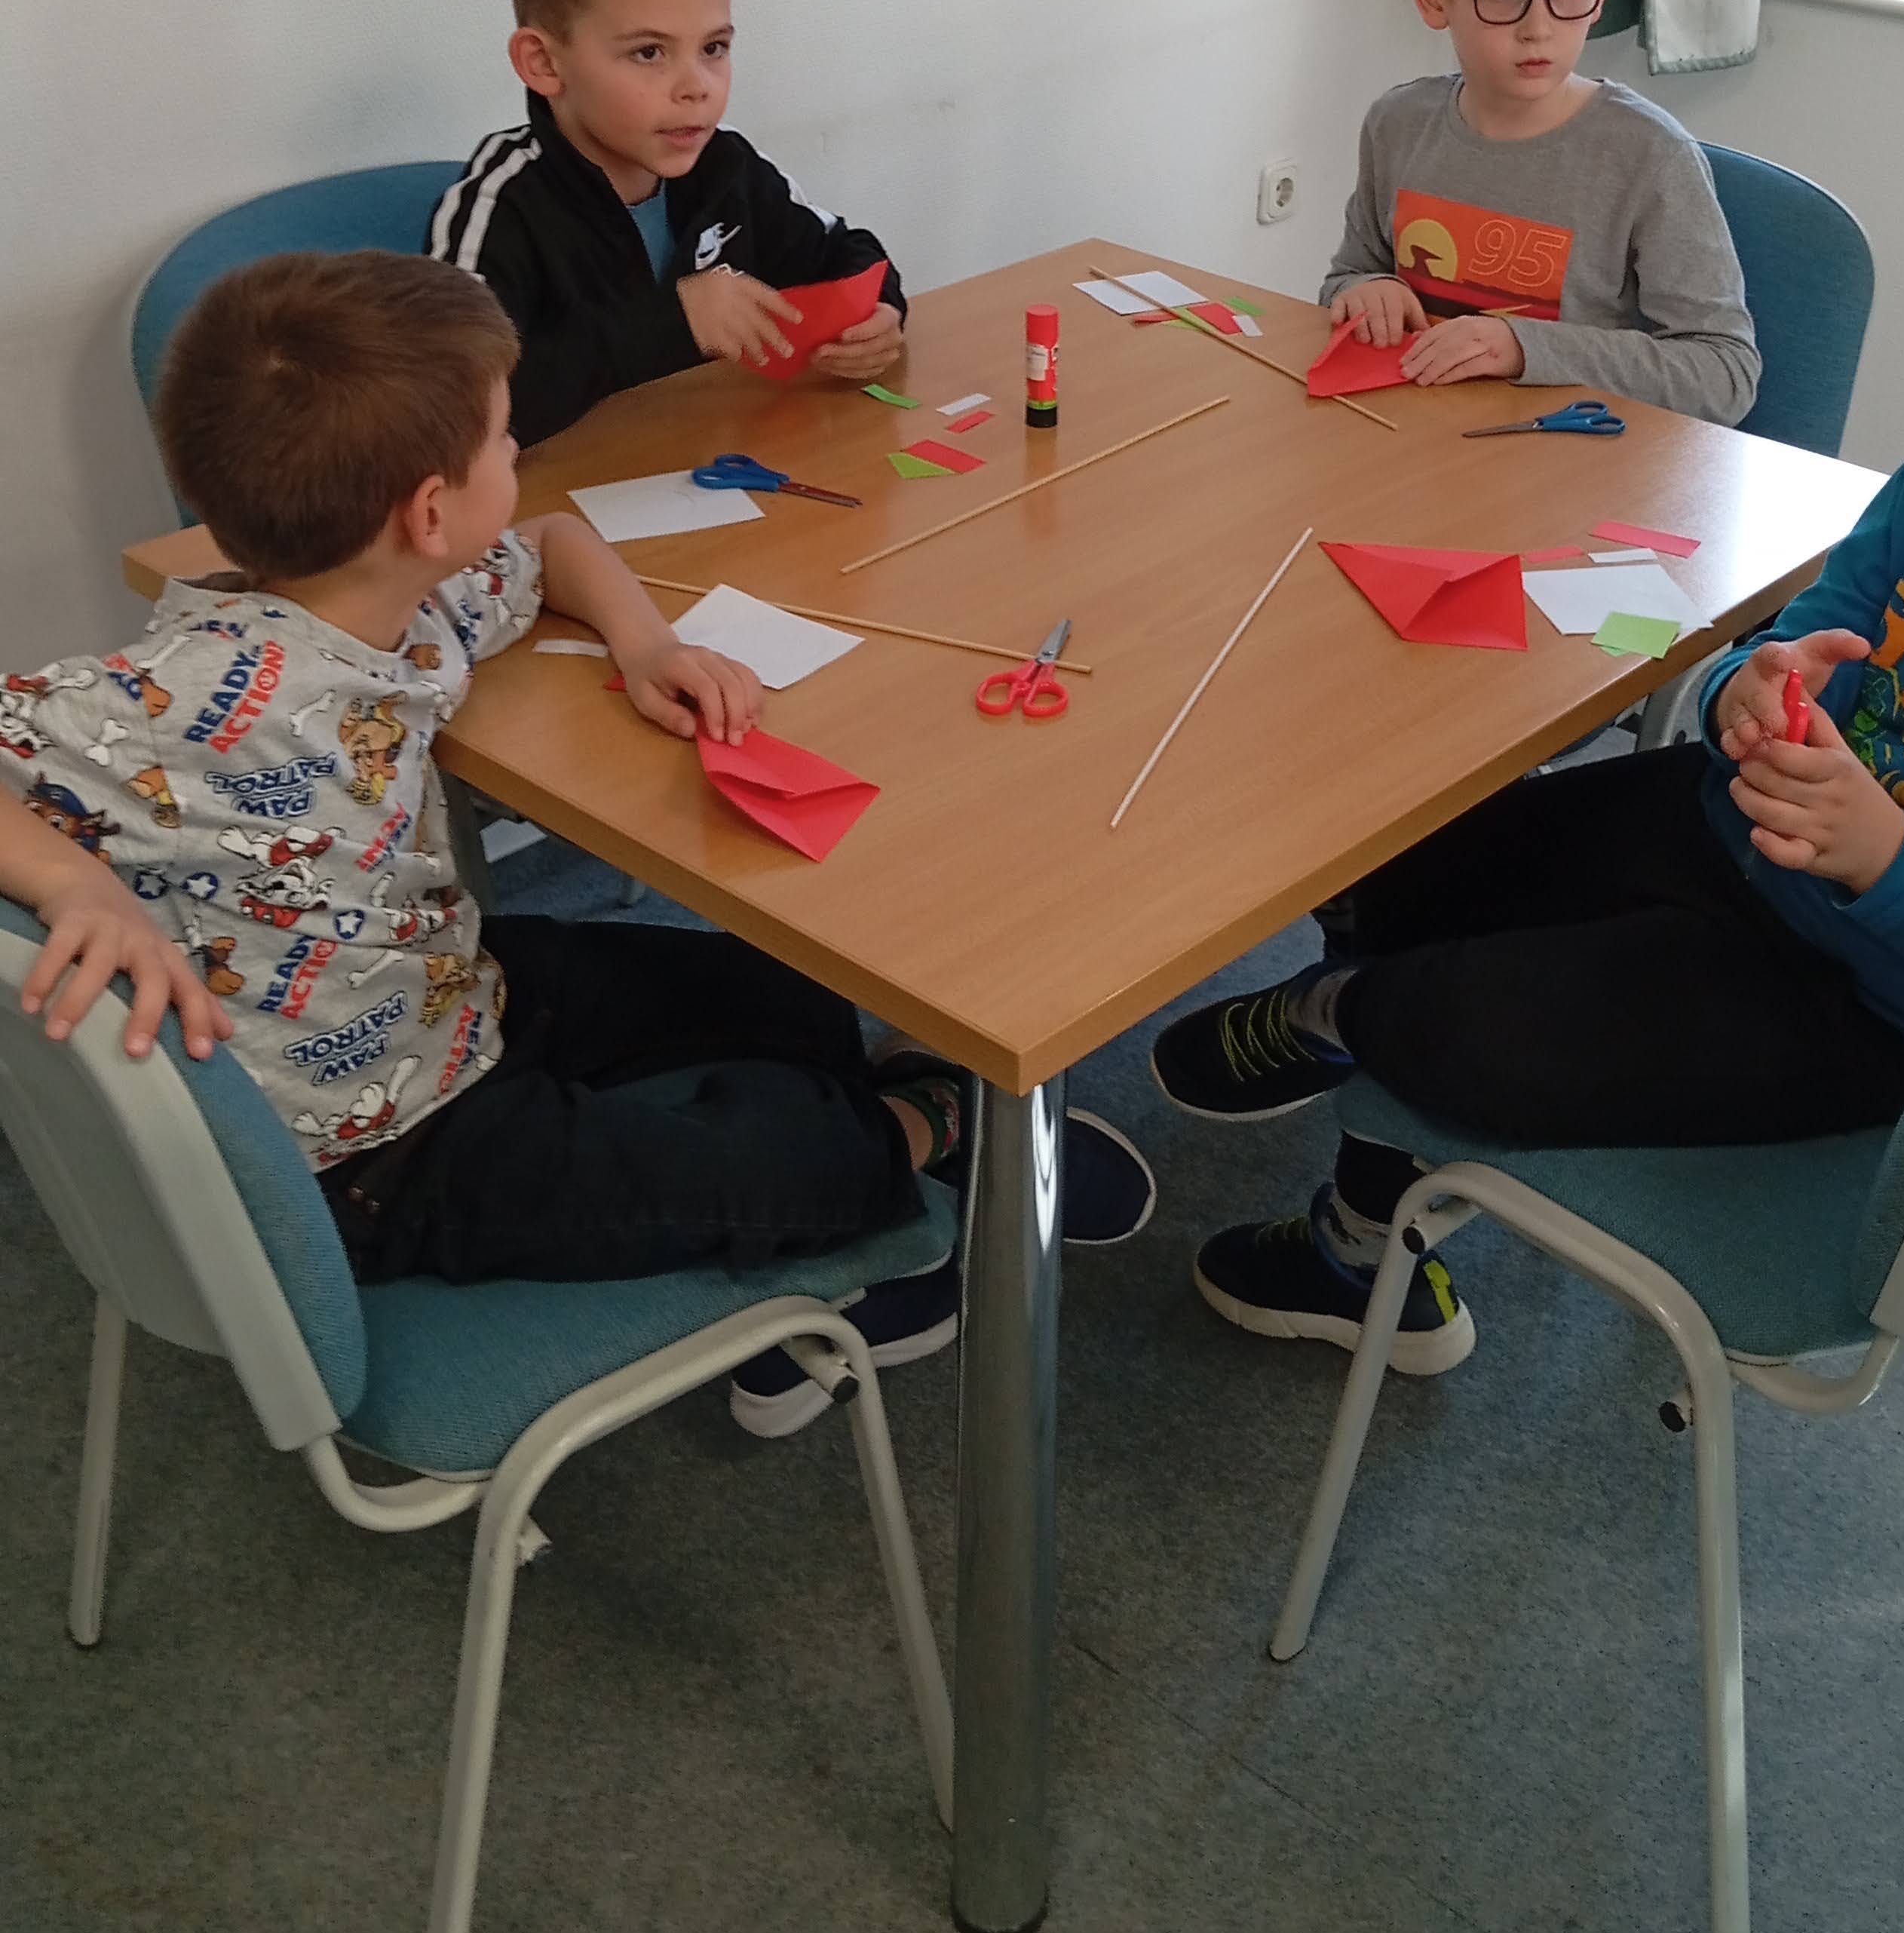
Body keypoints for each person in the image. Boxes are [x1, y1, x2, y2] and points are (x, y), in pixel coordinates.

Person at [1155, 188, 1904, 1374]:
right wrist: (1740, 697)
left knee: (1447, 1024)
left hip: (1882, 1011)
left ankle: (1351, 1164)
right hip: (1733, 836)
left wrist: (1885, 859)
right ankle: (1368, 1091)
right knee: (1398, 851)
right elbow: (1785, 652)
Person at [2, 250, 1148, 1447]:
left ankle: (851, 1135)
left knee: (780, 989)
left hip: (449, 996)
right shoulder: (184, 699)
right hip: (381, 1160)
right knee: (805, 1153)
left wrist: (648, 645)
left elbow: (551, 540)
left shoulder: (399, 591)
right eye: (505, 440)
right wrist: (72, 881)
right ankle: (927, 1138)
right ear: (430, 512)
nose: (520, 456)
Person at [429, 0, 907, 447]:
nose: (696, 87)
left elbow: (843, 250)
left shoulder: (727, 167)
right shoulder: (505, 205)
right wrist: (672, 323)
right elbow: (449, 410)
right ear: (544, 63)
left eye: (714, 48)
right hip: (561, 497)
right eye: (650, 53)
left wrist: (881, 310)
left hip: (716, 471)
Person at [1319, 0, 1758, 421]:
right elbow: (1350, 274)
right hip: (1416, 436)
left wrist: (1526, 349)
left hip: (1569, 455)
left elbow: (1724, 373)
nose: (1539, 29)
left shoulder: (1649, 156)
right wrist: (1363, 292)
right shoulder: (1397, 125)